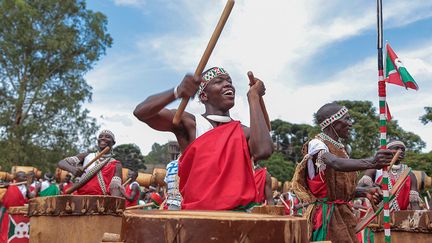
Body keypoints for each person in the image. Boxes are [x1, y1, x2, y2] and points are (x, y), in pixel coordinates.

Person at [134, 67, 273, 210]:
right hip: (197, 217)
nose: (228, 84)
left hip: (238, 217)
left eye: (229, 81)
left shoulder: (243, 131)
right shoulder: (190, 124)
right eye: (219, 81)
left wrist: (254, 97)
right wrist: (177, 91)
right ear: (204, 96)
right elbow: (141, 112)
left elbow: (264, 151)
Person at [292, 102, 394, 243]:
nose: (350, 124)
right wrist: (372, 162)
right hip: (327, 217)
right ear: (333, 123)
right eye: (347, 119)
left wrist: (365, 192)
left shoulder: (342, 149)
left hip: (342, 215)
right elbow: (335, 163)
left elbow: (338, 190)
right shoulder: (316, 144)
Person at [358, 140, 421, 210]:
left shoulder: (410, 174)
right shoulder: (375, 169)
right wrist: (371, 190)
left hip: (402, 217)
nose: (400, 151)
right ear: (387, 151)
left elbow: (414, 202)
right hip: (378, 214)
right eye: (396, 148)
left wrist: (418, 217)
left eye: (403, 149)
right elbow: (360, 189)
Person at [57, 130, 122, 196]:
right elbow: (61, 163)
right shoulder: (86, 156)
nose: (103, 138)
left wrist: (114, 202)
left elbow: (115, 187)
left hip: (103, 201)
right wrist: (72, 169)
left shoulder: (116, 164)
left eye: (107, 137)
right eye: (100, 136)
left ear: (113, 142)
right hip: (82, 199)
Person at [0, 171, 36, 242]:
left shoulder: (25, 187)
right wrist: (7, 185)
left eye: (25, 176)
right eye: (23, 177)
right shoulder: (11, 186)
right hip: (10, 212)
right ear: (16, 179)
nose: (25, 178)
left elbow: (31, 197)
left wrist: (29, 187)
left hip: (21, 213)